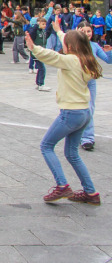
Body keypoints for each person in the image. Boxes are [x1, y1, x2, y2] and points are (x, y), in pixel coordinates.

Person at [25, 27, 101, 205]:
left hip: (70, 112)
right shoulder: (86, 60)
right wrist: (59, 30)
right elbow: (66, 43)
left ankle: (62, 185)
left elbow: (53, 57)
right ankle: (91, 193)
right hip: (84, 112)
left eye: (65, 42)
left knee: (46, 145)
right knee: (72, 153)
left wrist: (33, 48)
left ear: (70, 46)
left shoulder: (71, 61)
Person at [73, 21, 112, 151]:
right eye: (83, 31)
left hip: (90, 81)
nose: (86, 33)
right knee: (77, 109)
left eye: (88, 31)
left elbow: (108, 60)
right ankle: (81, 136)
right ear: (77, 31)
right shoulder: (72, 46)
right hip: (76, 81)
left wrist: (110, 51)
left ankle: (87, 138)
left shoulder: (94, 46)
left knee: (89, 109)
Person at [28, 17, 50, 91]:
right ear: (38, 23)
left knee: (40, 68)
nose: (44, 26)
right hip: (36, 52)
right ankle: (41, 84)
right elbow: (31, 35)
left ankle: (38, 83)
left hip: (41, 52)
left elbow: (46, 37)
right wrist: (36, 26)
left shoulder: (43, 31)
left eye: (45, 24)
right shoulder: (35, 31)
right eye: (42, 24)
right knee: (42, 68)